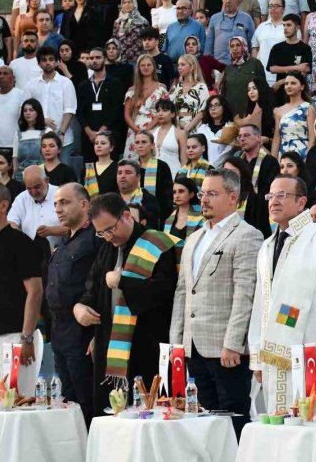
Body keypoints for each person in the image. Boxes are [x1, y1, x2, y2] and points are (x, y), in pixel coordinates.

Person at [248, 173, 316, 414]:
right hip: (274, 353)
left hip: (311, 350)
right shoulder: (266, 246)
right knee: (281, 425)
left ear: (301, 202)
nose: (274, 201)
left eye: (282, 195)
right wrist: (257, 355)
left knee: (315, 420)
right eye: (270, 195)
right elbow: (261, 303)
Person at [169, 168, 260, 436]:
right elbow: (183, 292)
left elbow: (245, 295)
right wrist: (177, 344)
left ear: (233, 197)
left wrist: (233, 343)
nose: (204, 199)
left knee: (233, 420)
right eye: (202, 193)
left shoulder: (246, 235)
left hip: (226, 350)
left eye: (212, 193)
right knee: (203, 422)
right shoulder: (194, 238)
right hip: (193, 348)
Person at [74, 193, 177, 413]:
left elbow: (163, 291)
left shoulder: (156, 243)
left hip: (146, 341)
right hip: (110, 343)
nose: (108, 237)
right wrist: (79, 307)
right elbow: (92, 289)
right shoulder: (106, 248)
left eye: (110, 229)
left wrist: (123, 282)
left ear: (127, 216)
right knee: (110, 414)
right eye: (101, 233)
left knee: (146, 413)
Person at [47, 183, 97, 423]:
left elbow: (100, 289)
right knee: (66, 401)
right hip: (59, 330)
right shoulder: (63, 241)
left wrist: (98, 333)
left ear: (84, 204)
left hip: (83, 331)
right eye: (56, 203)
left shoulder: (96, 238)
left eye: (64, 202)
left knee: (86, 400)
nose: (58, 209)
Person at [0, 179, 42, 376]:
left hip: (13, 337)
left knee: (14, 402)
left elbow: (35, 291)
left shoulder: (20, 243)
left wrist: (27, 337)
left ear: (3, 205)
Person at [22, 46, 76, 164]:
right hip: (37, 139)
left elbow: (70, 110)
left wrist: (61, 133)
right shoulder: (31, 84)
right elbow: (26, 110)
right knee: (39, 177)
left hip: (63, 139)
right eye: (44, 60)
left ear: (57, 62)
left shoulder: (66, 83)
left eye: (51, 59)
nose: (48, 63)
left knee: (62, 178)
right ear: (39, 63)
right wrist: (41, 120)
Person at [236, 123, 280, 202]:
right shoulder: (236, 163)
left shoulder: (270, 162)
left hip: (261, 207)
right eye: (240, 136)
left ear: (258, 138)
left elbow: (271, 191)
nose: (242, 139)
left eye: (246, 135)